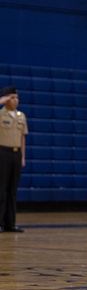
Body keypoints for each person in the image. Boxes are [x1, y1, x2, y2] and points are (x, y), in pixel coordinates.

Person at [0, 86, 27, 233]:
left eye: (16, 97)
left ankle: (10, 223)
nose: (15, 100)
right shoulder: (0, 114)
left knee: (12, 190)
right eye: (12, 97)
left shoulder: (21, 116)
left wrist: (22, 156)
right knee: (1, 190)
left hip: (16, 154)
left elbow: (22, 137)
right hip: (2, 153)